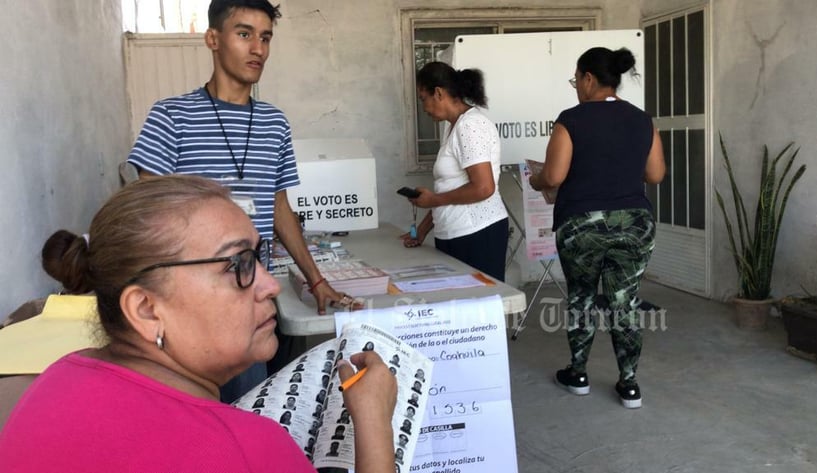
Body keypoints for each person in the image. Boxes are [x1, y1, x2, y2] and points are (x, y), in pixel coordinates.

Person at [0, 176, 398, 472]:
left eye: (258, 258)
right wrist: (374, 422)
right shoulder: (246, 450)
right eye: (239, 264)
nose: (270, 284)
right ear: (146, 309)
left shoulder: (58, 377)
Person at [126, 0, 355, 401]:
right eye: (244, 34)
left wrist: (317, 281)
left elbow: (279, 207)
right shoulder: (171, 116)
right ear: (213, 39)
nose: (258, 49)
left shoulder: (274, 122)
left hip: (251, 299)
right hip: (190, 306)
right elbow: (148, 216)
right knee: (189, 416)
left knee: (248, 410)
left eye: (265, 37)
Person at [528, 47, 665, 409]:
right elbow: (655, 174)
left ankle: (578, 374)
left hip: (581, 225)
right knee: (626, 301)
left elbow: (554, 175)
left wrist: (536, 179)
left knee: (582, 297)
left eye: (576, 80)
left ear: (589, 78)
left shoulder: (571, 120)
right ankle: (630, 385)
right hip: (635, 224)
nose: (576, 87)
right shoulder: (642, 119)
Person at [400, 61, 509, 282]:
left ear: (438, 93)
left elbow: (483, 187)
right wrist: (423, 229)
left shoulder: (471, 126)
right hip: (456, 232)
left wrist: (434, 199)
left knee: (478, 309)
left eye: (424, 99)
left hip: (477, 233)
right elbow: (452, 187)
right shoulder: (453, 126)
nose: (424, 108)